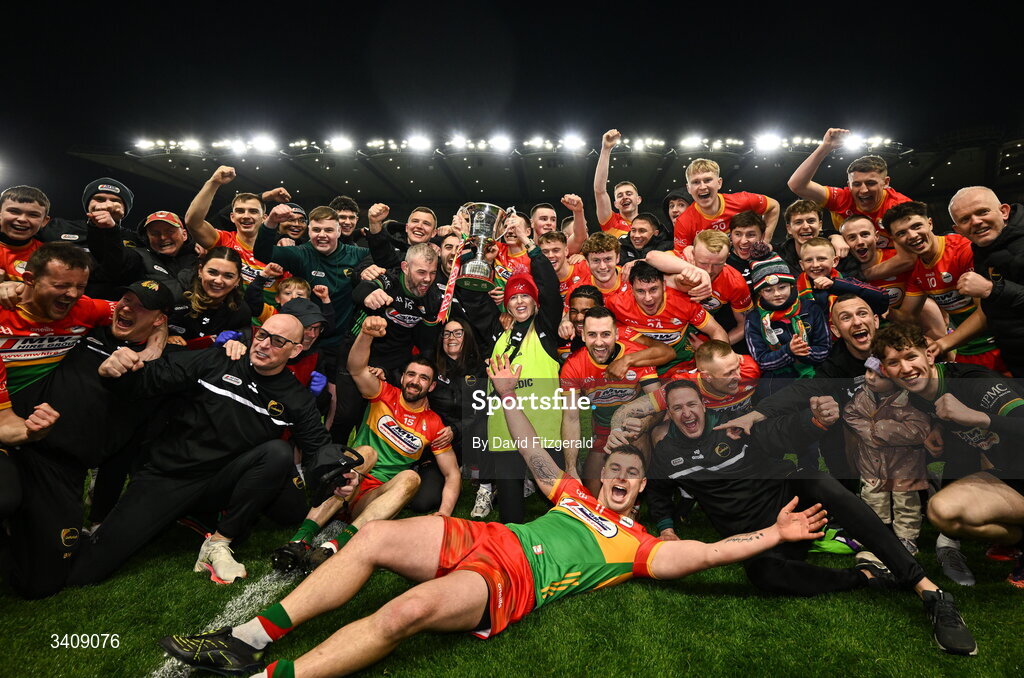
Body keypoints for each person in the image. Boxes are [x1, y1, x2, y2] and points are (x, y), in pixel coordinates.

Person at [159, 353, 832, 678]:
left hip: (514, 579)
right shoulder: (575, 494)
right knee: (376, 539)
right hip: (491, 534)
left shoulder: (639, 547)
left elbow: (708, 555)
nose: (624, 478)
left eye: (634, 475)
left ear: (643, 490)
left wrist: (774, 533)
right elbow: (538, 452)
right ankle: (249, 636)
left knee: (404, 614)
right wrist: (509, 396)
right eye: (618, 470)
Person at [643, 379, 977, 656]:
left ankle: (929, 590)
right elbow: (658, 496)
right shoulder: (666, 456)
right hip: (762, 535)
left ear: (703, 405)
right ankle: (867, 577)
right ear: (669, 415)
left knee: (814, 478)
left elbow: (783, 431)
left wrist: (814, 421)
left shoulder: (735, 428)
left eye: (692, 404)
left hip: (796, 506)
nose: (687, 413)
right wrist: (667, 529)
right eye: (678, 408)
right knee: (762, 575)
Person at [67, 314, 333, 586]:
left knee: (280, 461)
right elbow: (152, 378)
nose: (264, 345)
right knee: (85, 572)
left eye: (277, 341)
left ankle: (218, 542)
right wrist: (116, 371)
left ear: (296, 350)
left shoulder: (295, 397)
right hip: (171, 474)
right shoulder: (219, 359)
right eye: (262, 335)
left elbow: (317, 445)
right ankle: (194, 515)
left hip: (223, 482)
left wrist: (339, 473)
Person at [4, 280, 176, 598]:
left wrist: (151, 354)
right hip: (18, 444)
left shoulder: (162, 367)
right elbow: (44, 298)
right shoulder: (86, 328)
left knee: (40, 584)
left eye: (140, 306)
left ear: (158, 320)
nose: (127, 308)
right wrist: (9, 287)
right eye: (125, 299)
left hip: (64, 472)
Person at [272, 315, 457, 573]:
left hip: (372, 501)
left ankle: (335, 546)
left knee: (411, 478)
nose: (415, 381)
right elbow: (356, 367)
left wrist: (444, 513)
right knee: (366, 452)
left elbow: (452, 473)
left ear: (432, 385)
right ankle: (299, 541)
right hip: (346, 482)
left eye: (423, 378)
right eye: (411, 374)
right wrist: (366, 334)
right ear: (402, 378)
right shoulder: (384, 394)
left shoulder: (434, 424)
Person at [871, 323, 1024, 588]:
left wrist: (976, 417)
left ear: (929, 355)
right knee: (941, 512)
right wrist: (938, 427)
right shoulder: (917, 395)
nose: (905, 368)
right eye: (894, 362)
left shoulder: (975, 383)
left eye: (911, 356)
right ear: (885, 370)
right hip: (1010, 473)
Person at [883, 201, 1006, 373]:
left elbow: (985, 312)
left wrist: (942, 344)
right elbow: (907, 317)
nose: (912, 235)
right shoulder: (917, 270)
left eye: (917, 226)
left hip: (1000, 346)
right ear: (894, 240)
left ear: (930, 223)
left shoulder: (962, 250)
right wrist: (880, 307)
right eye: (902, 233)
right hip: (966, 350)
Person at [560, 306, 669, 494]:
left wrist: (644, 424)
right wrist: (570, 468)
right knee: (592, 495)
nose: (599, 342)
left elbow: (660, 404)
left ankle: (635, 501)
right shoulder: (573, 366)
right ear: (583, 336)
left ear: (617, 334)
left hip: (633, 428)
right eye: (592, 335)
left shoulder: (636, 355)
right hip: (603, 432)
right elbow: (571, 418)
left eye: (606, 334)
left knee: (636, 434)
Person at [843, 358, 931, 558]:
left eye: (879, 375)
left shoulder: (911, 400)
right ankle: (877, 533)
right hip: (871, 461)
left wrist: (879, 430)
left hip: (905, 462)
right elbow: (850, 414)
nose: (870, 378)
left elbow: (919, 429)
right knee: (872, 497)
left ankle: (906, 537)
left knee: (906, 500)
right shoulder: (862, 396)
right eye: (868, 371)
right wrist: (870, 433)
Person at [947, 186, 1024, 378]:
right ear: (958, 230)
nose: (976, 222)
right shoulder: (984, 247)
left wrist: (992, 289)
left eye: (983, 212)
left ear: (1004, 211)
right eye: (965, 219)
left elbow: (994, 292)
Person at [787, 128, 911, 245]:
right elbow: (797, 185)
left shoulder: (901, 206)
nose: (863, 190)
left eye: (871, 183)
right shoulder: (842, 198)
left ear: (886, 182)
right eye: (856, 184)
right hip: (851, 264)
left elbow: (913, 253)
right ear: (849, 185)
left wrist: (871, 269)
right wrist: (825, 147)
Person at [605, 262, 726, 375]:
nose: (648, 298)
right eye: (640, 291)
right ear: (632, 290)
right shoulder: (616, 303)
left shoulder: (684, 302)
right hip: (640, 365)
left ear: (664, 285)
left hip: (681, 365)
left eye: (653, 289)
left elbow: (717, 331)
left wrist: (720, 360)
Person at [184, 165, 281, 305]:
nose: (246, 216)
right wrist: (213, 182)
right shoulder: (223, 240)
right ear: (232, 217)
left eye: (253, 211)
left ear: (264, 217)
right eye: (240, 211)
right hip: (230, 317)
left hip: (267, 322)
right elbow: (193, 222)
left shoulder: (277, 252)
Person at [744, 250, 830, 386]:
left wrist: (802, 352)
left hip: (815, 372)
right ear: (760, 292)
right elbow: (762, 361)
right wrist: (789, 351)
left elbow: (824, 350)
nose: (777, 294)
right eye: (768, 290)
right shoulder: (754, 319)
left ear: (791, 285)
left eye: (782, 287)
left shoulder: (810, 308)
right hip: (778, 379)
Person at [675, 157, 779, 250]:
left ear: (719, 183)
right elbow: (680, 258)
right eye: (696, 182)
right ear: (689, 188)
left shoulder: (743, 200)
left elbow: (774, 206)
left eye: (707, 180)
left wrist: (765, 241)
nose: (702, 187)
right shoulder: (683, 222)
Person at [90, 210, 198, 298]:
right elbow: (115, 261)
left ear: (184, 235)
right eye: (155, 233)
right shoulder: (139, 256)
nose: (163, 237)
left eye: (170, 231)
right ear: (147, 238)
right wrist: (111, 231)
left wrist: (210, 245)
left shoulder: (201, 255)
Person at [167, 247, 251, 347]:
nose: (218, 281)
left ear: (237, 280)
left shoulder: (241, 311)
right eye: (212, 272)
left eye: (228, 276)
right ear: (200, 271)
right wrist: (165, 336)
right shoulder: (174, 294)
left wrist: (234, 344)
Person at [594, 129, 642, 238]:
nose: (624, 197)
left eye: (629, 193)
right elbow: (599, 191)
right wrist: (606, 149)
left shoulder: (650, 224)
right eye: (620, 195)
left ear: (638, 199)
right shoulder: (611, 222)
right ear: (615, 204)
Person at [0, 185, 50, 282]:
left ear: (44, 221)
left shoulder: (49, 255)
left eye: (33, 215)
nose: (22, 219)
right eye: (14, 211)